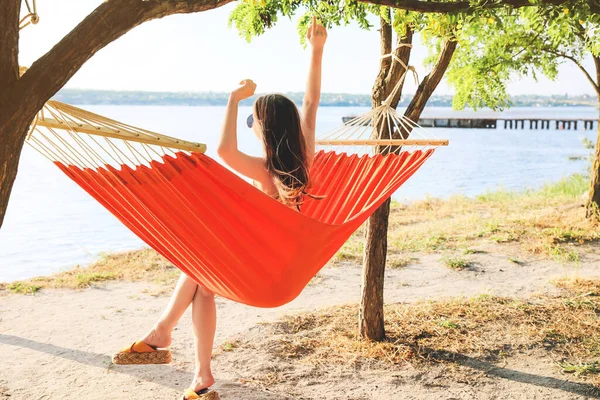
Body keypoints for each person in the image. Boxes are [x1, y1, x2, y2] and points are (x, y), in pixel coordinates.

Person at [114, 17, 327, 400]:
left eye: (252, 121)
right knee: (199, 277)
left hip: (258, 273)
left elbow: (224, 152)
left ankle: (167, 336)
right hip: (277, 268)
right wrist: (317, 50)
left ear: (265, 128)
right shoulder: (302, 161)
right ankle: (199, 376)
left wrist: (233, 99)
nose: (250, 126)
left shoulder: (265, 171)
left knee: (196, 266)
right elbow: (311, 104)